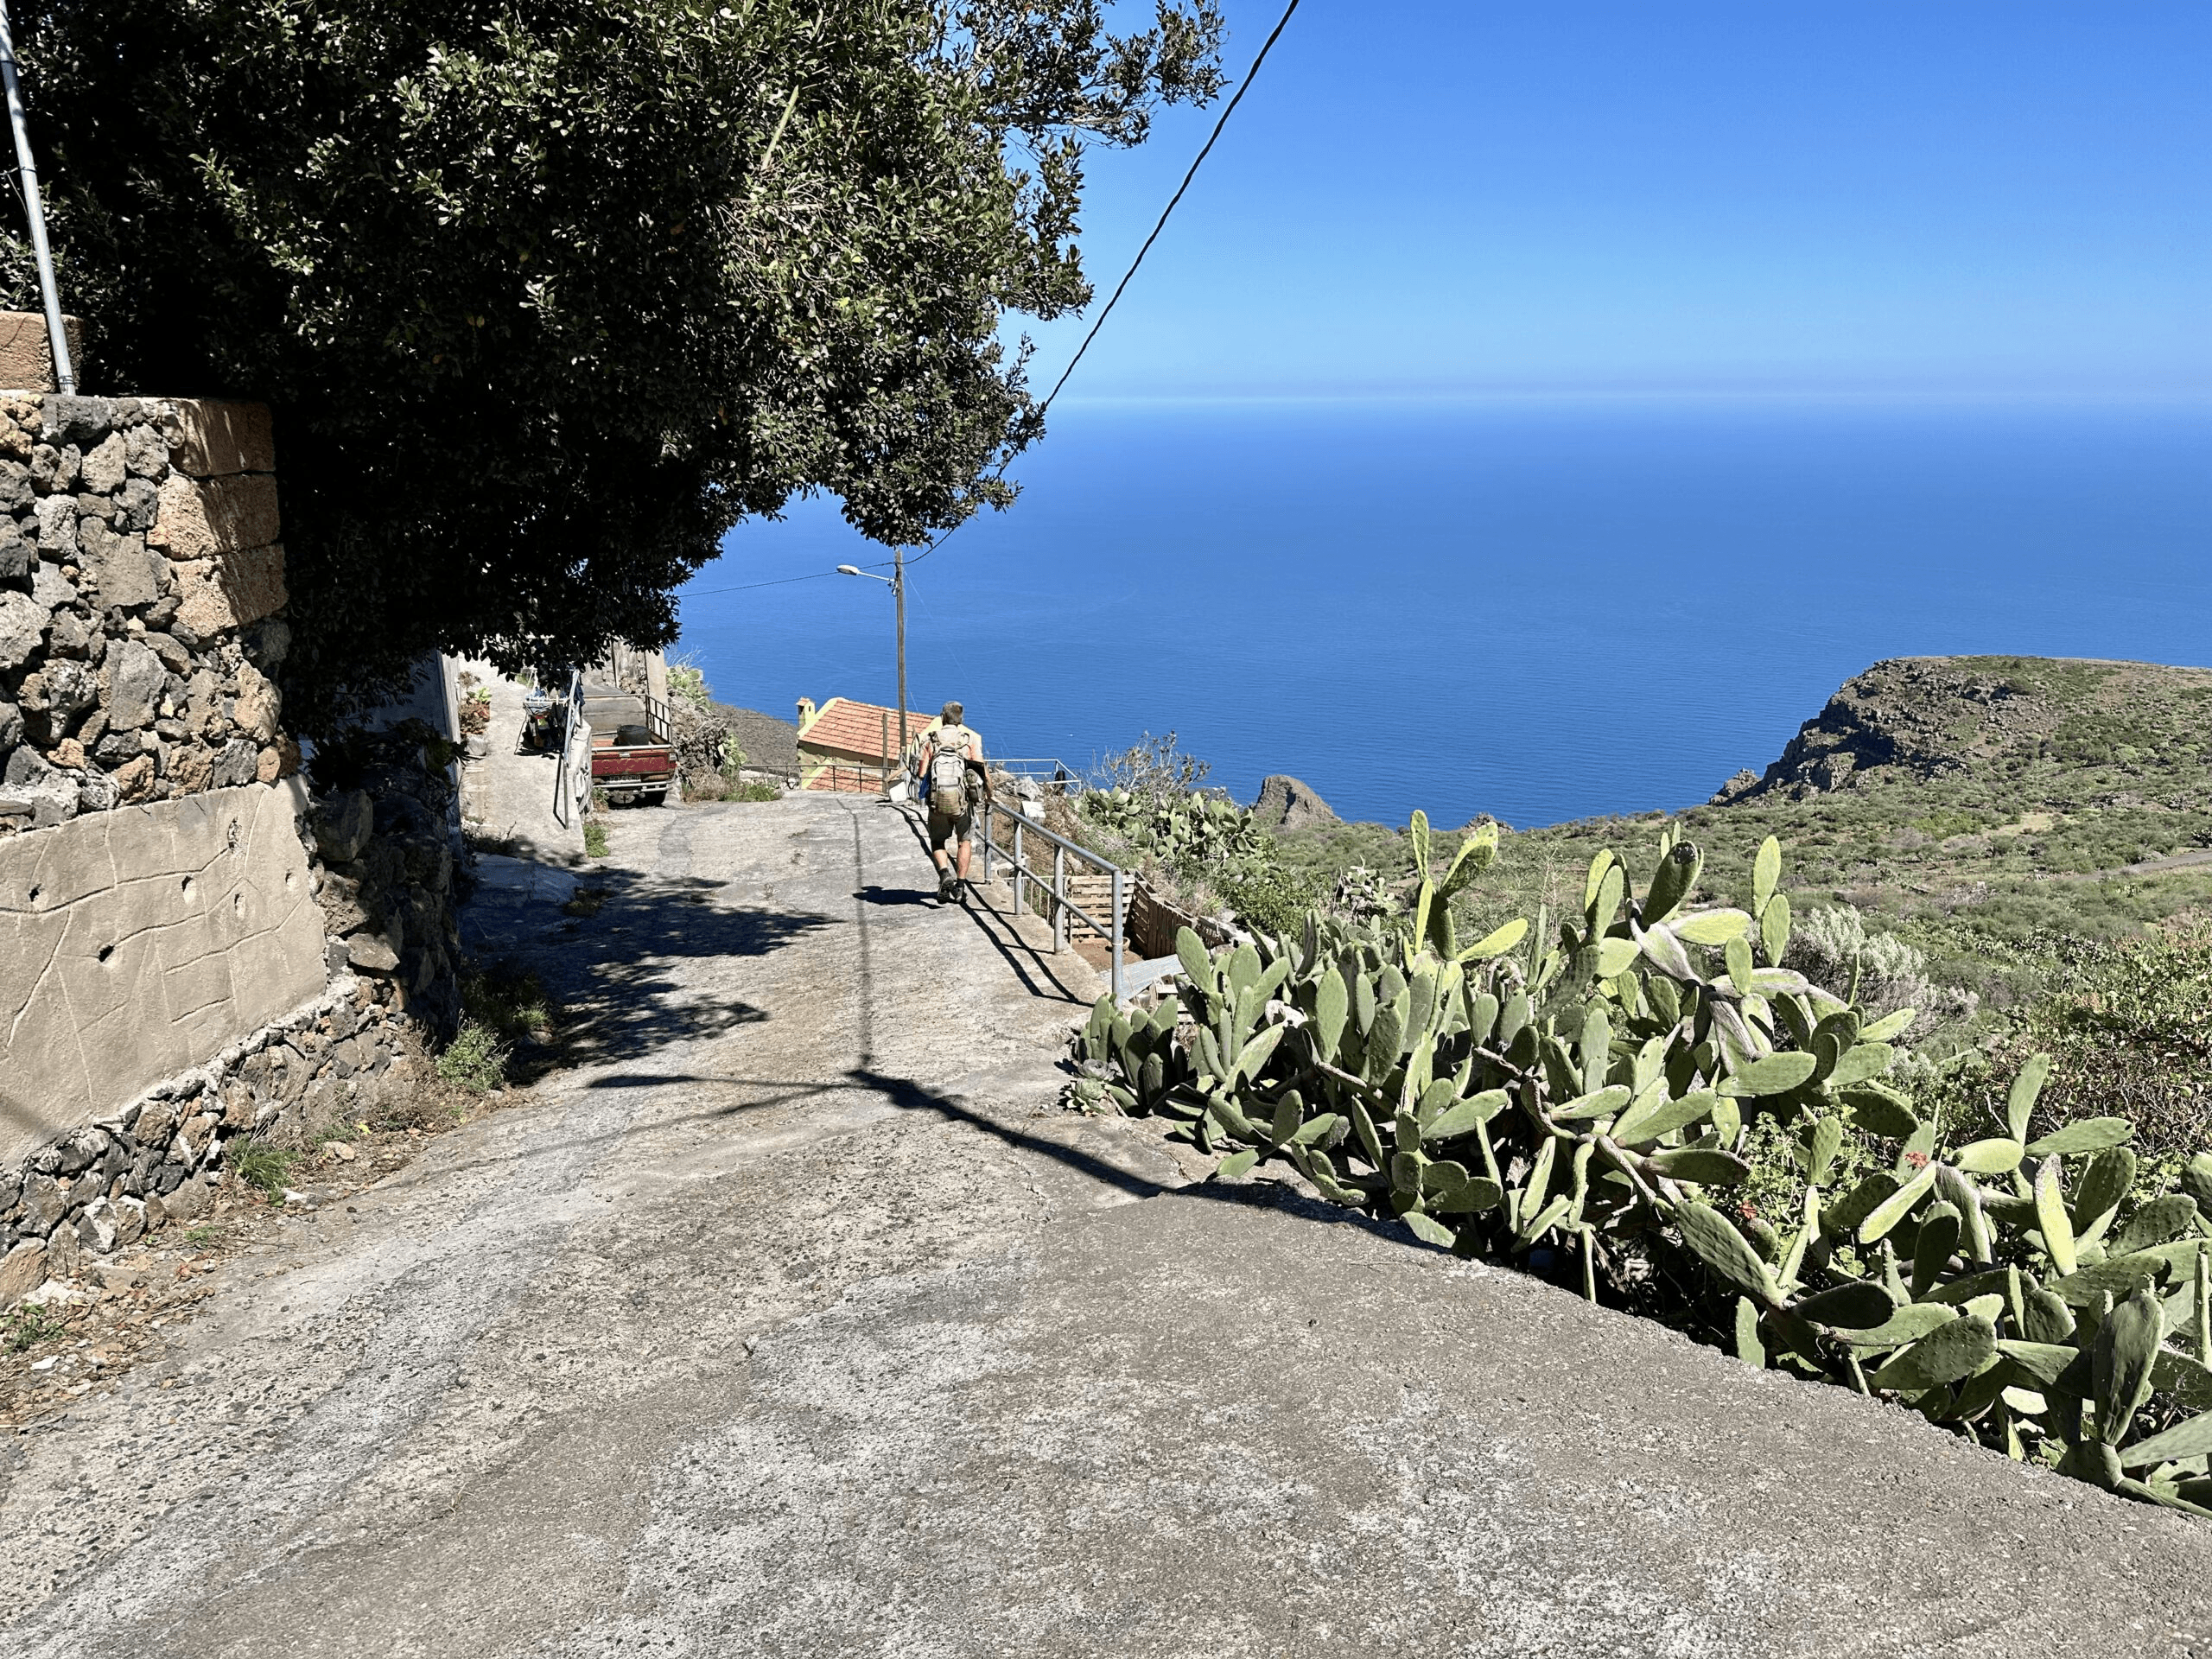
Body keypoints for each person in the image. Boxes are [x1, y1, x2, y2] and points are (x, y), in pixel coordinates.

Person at [921, 700, 989, 903]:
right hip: (963, 804)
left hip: (937, 802)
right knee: (964, 841)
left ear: (943, 717)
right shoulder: (969, 740)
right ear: (961, 719)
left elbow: (921, 772)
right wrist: (990, 795)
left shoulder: (931, 739)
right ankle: (960, 888)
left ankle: (944, 875)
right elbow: (981, 771)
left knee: (937, 841)